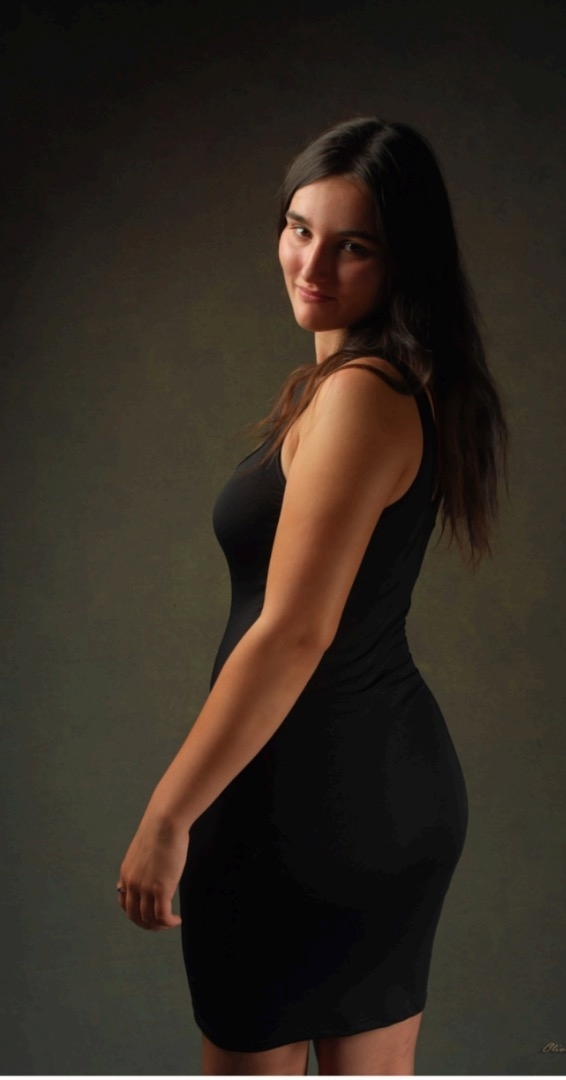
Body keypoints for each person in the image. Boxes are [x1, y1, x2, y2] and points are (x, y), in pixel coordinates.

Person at [117, 116, 509, 1076]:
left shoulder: (361, 395)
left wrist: (168, 815)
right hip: (381, 795)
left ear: (402, 258)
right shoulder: (385, 386)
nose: (312, 264)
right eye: (300, 229)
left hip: (302, 810)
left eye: (353, 245)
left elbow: (294, 631)